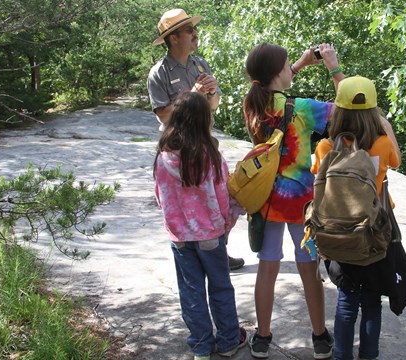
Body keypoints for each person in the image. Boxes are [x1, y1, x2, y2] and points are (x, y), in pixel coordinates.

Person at [243, 42, 344, 359]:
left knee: (267, 267)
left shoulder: (252, 103)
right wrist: (333, 67)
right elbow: (349, 107)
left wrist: (297, 65)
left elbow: (270, 89)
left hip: (267, 199)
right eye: (287, 65)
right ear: (277, 72)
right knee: (308, 268)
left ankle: (262, 338)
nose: (292, 68)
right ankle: (319, 338)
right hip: (301, 202)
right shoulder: (301, 108)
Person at [311, 76, 401, 360]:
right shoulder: (383, 143)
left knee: (347, 301)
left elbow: (316, 174)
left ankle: (341, 356)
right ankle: (369, 356)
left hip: (338, 233)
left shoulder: (326, 147)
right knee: (373, 301)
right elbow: (396, 161)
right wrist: (383, 125)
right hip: (374, 233)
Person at [147, 8, 244, 271]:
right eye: (189, 30)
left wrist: (210, 92)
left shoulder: (200, 64)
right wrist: (193, 92)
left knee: (218, 197)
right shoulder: (159, 72)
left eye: (194, 29)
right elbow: (163, 116)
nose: (195, 34)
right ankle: (191, 257)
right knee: (186, 204)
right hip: (177, 150)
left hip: (205, 143)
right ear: (174, 38)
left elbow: (213, 104)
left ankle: (219, 251)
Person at [153, 90, 247, 360]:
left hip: (180, 237)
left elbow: (161, 197)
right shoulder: (211, 156)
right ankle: (229, 341)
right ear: (203, 120)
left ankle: (201, 345)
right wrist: (227, 223)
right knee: (220, 287)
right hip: (210, 236)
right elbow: (222, 197)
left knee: (190, 290)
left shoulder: (163, 156)